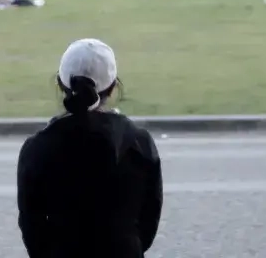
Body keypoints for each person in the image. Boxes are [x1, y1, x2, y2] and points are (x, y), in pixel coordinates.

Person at [17, 39, 163, 258]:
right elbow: (149, 217)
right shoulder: (139, 142)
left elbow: (31, 224)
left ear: (60, 83)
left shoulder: (38, 147)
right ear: (113, 86)